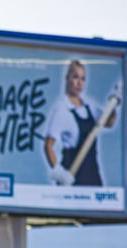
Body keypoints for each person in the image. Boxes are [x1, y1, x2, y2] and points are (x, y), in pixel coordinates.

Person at [43, 59, 120, 187]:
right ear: (67, 78)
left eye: (83, 79)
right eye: (75, 77)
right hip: (72, 176)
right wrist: (59, 173)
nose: (79, 83)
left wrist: (114, 105)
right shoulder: (61, 109)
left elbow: (108, 122)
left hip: (92, 175)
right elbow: (48, 145)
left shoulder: (89, 106)